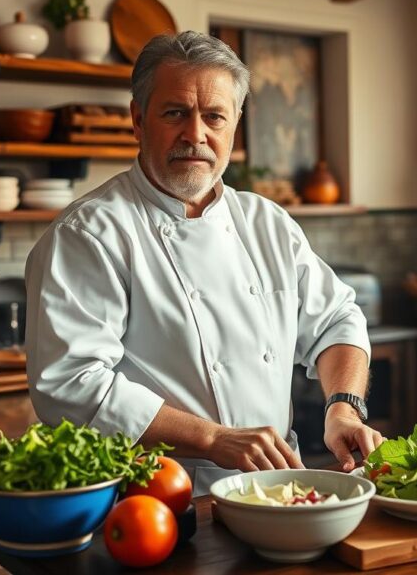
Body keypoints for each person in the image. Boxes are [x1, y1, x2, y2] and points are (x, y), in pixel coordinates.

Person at [25, 31, 381, 494]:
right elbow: (70, 383)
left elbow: (336, 320)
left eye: (214, 116)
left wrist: (343, 407)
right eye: (175, 113)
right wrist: (212, 439)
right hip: (153, 498)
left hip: (274, 486)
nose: (196, 135)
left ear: (235, 124)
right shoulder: (90, 233)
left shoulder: (267, 222)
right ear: (138, 119)